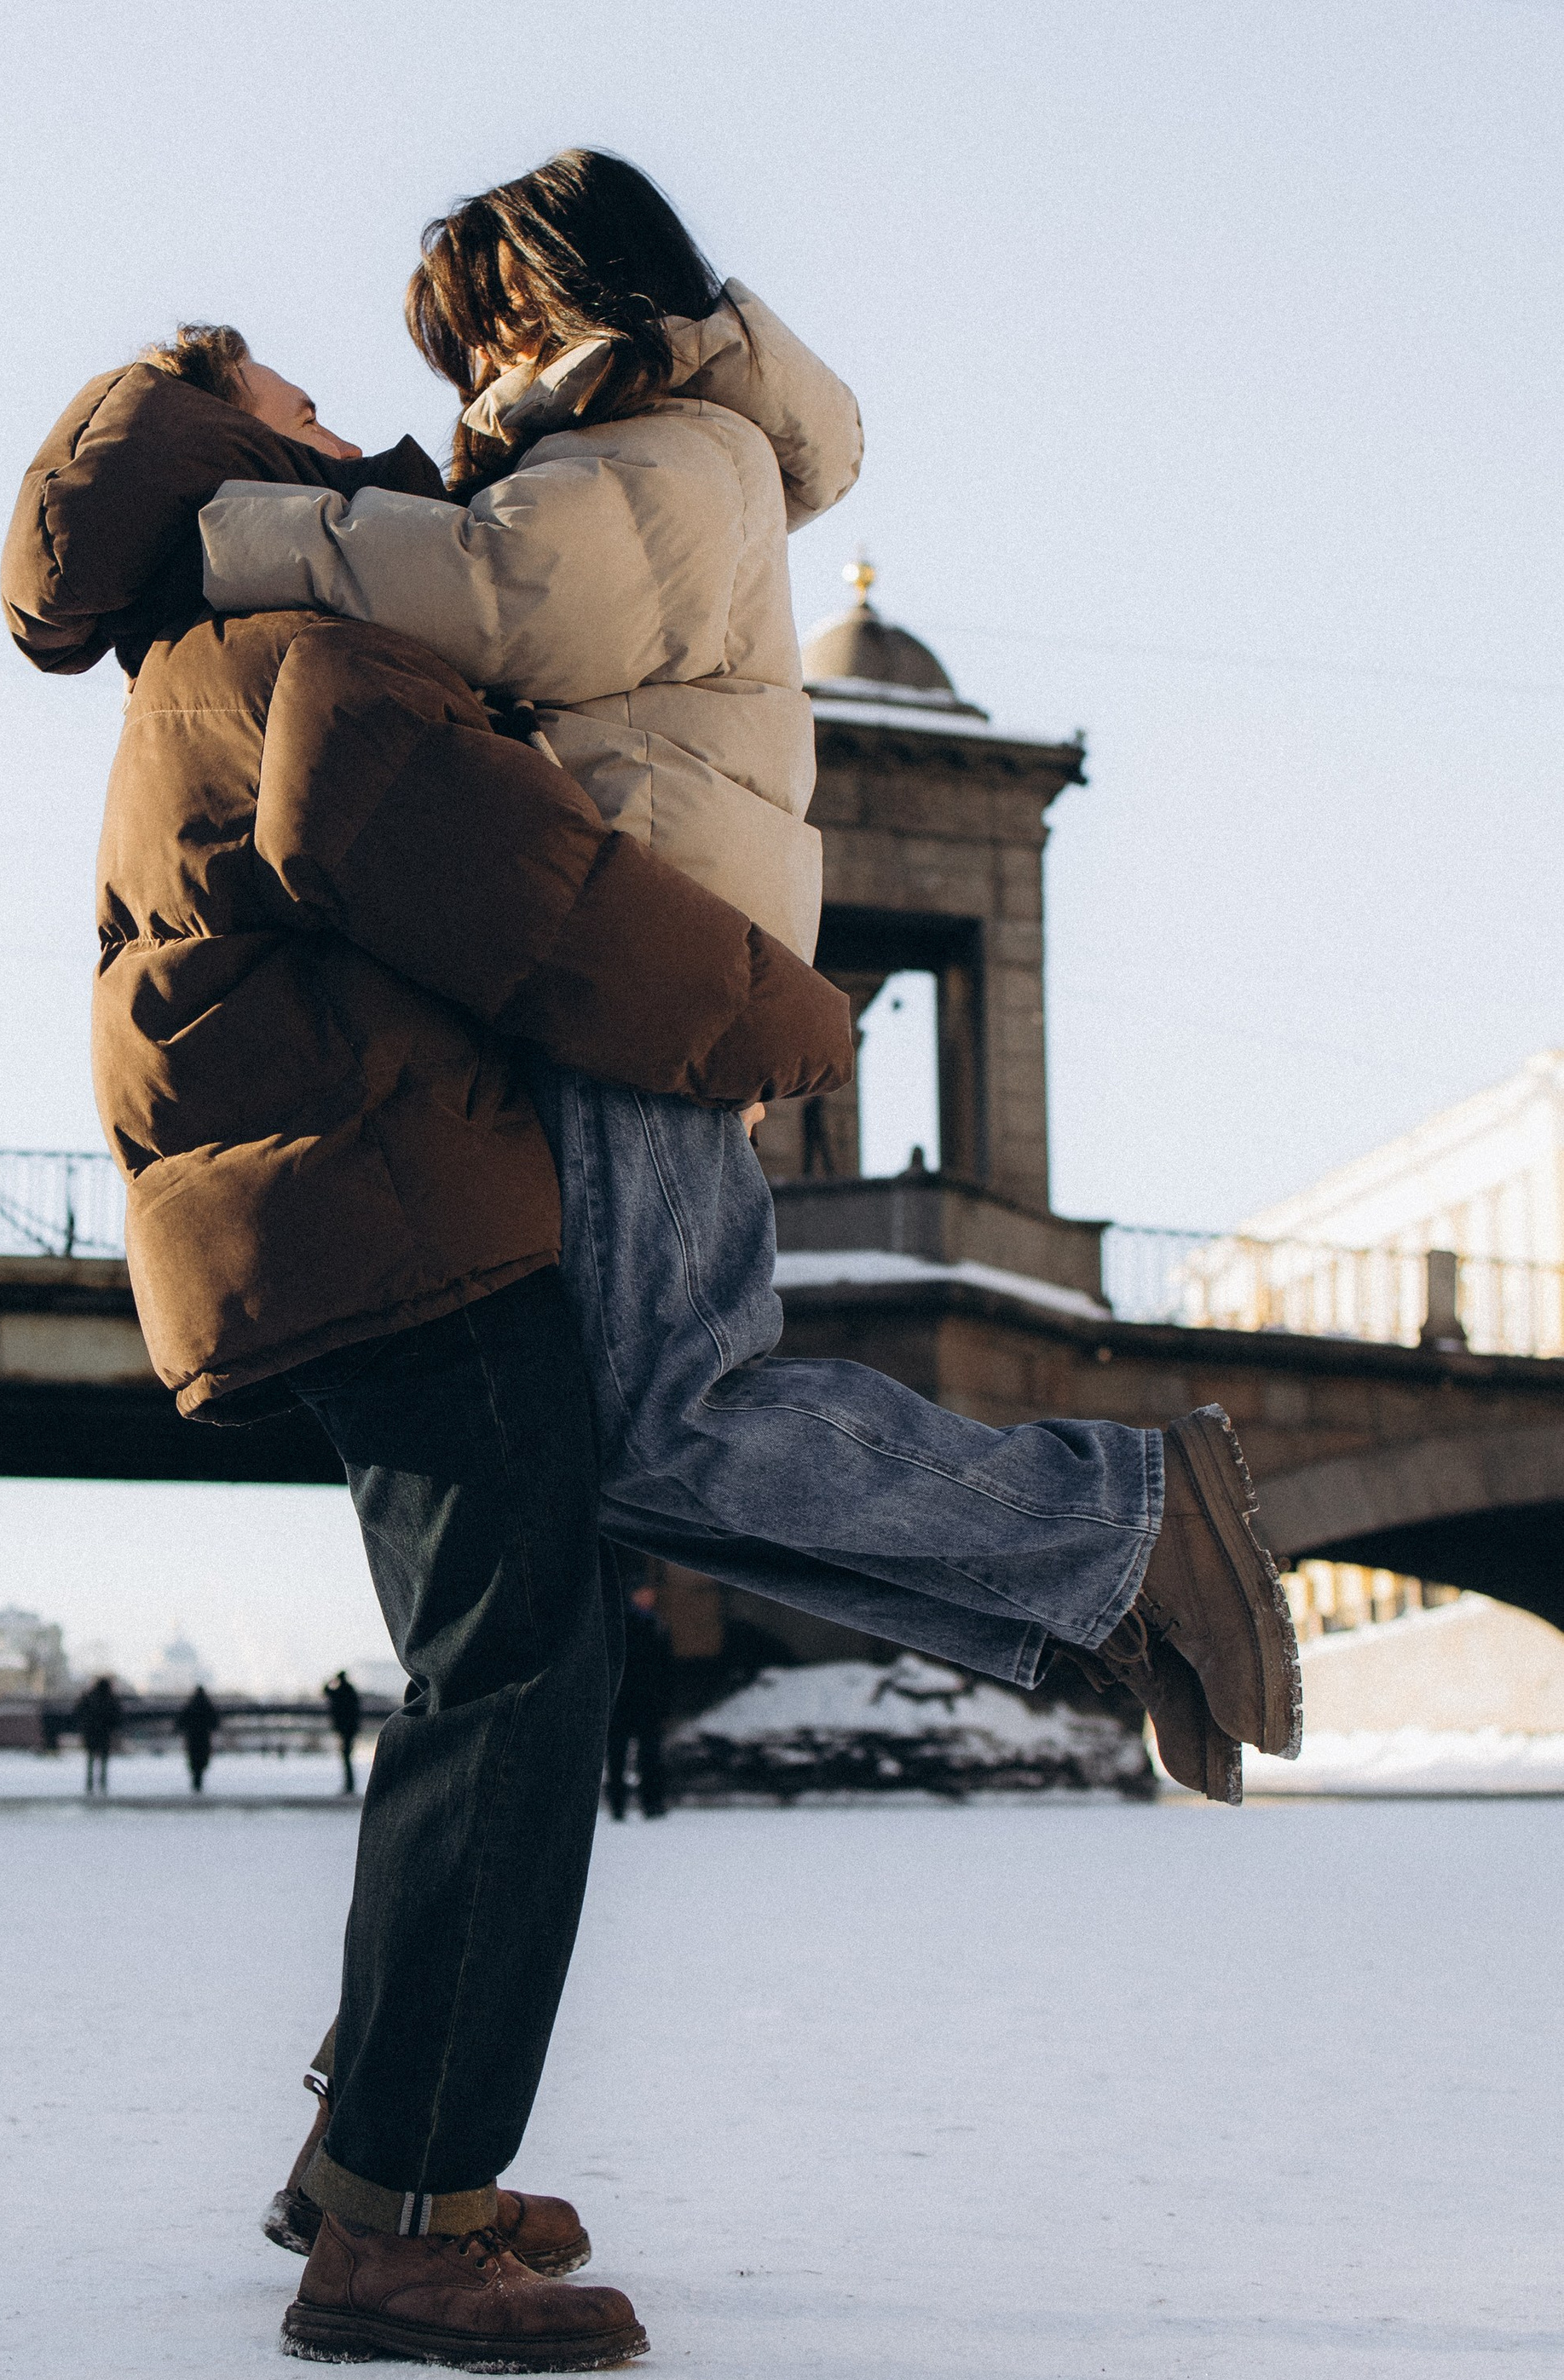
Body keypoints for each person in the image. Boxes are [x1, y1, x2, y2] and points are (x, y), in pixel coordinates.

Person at [195, 150, 1300, 1807]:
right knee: (641, 1451)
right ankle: (1105, 1595)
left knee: (675, 1421)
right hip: (617, 954)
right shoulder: (633, 449)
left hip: (628, 958)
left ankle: (1125, 1526)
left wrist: (234, 531)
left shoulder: (661, 447)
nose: (466, 375)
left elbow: (504, 598)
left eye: (475, 332)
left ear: (556, 292)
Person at [3, 326, 852, 2372]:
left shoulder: (204, 666)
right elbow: (534, 899)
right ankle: (395, 2223)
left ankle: (378, 2158)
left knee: (500, 1661)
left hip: (350, 1217)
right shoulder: (295, 647)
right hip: (409, 1214)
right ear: (219, 449)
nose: (332, 415)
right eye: (286, 402)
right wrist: (780, 1016)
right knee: (520, 1670)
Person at [605, 1583, 676, 1822]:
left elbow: (666, 1670)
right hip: (623, 1701)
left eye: (649, 1593)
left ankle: (652, 1803)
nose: (647, 1598)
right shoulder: (621, 1625)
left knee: (650, 1757)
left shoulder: (658, 1625)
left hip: (649, 1702)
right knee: (618, 1756)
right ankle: (618, 1805)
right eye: (642, 1593)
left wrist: (665, 1704)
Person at [72, 1674, 124, 1796]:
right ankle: (102, 1784)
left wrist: (84, 1727)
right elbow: (117, 1716)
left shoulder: (89, 1697)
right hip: (105, 1734)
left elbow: (79, 1712)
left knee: (91, 1759)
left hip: (91, 1733)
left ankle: (90, 1785)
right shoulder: (111, 1699)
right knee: (103, 1760)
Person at [322, 1670, 363, 1795]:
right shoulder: (350, 1691)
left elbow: (326, 1691)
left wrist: (331, 1681)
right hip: (350, 1729)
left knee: (346, 1757)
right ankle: (350, 1785)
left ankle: (349, 1785)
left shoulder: (340, 1692)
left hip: (344, 1729)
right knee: (347, 1757)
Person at [176, 1681, 220, 1794]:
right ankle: (198, 1782)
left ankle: (196, 1782)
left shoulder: (190, 1706)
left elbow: (180, 1721)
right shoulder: (207, 1706)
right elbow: (215, 1722)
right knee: (201, 1760)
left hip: (192, 1738)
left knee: (194, 1761)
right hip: (204, 1738)